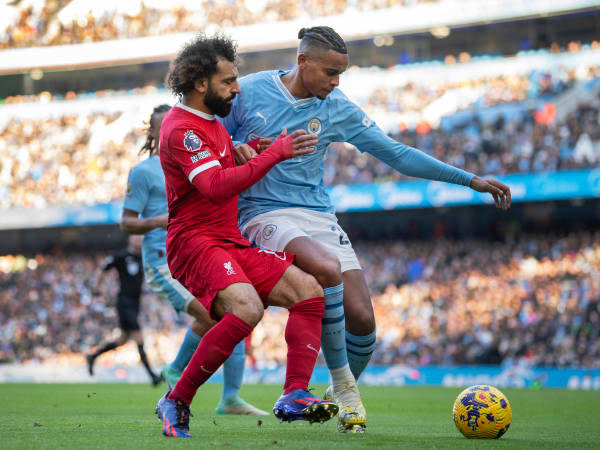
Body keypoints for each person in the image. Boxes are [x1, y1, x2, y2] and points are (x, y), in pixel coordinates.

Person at [221, 25, 512, 433]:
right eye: (330, 73)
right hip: (263, 212)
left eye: (341, 74)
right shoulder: (249, 92)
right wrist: (231, 147)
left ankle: (331, 392)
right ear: (302, 62)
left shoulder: (336, 106)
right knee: (325, 268)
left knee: (362, 320)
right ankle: (345, 390)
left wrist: (470, 180)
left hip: (317, 214)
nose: (336, 82)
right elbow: (210, 130)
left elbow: (395, 153)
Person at [154, 33, 338, 438]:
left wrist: (251, 145)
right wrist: (276, 154)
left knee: (309, 292)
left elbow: (220, 166)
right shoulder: (181, 129)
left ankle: (294, 395)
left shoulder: (210, 122)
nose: (237, 87)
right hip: (195, 242)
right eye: (228, 80)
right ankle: (177, 398)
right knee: (248, 309)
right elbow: (216, 187)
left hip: (228, 240)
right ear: (200, 83)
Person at [120, 105, 267, 415]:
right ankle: (176, 370)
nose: (168, 132)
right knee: (222, 315)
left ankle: (230, 397)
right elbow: (127, 223)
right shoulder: (144, 172)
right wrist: (160, 221)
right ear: (153, 133)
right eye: (160, 129)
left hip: (200, 253)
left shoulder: (198, 158)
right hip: (163, 261)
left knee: (235, 313)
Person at [86, 235, 162, 386]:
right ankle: (152, 376)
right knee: (139, 337)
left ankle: (93, 356)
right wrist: (97, 288)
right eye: (135, 238)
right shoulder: (121, 256)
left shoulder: (143, 257)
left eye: (140, 238)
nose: (138, 240)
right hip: (125, 302)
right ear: (130, 240)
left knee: (123, 340)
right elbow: (104, 268)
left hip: (135, 303)